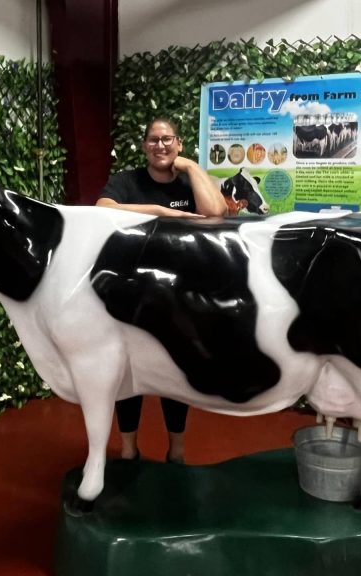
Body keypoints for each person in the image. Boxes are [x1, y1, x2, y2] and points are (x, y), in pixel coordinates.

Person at [96, 117, 227, 463]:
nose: (161, 146)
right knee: (128, 374)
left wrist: (192, 167)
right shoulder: (127, 181)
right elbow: (103, 210)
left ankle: (178, 451)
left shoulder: (188, 183)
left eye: (168, 140)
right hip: (131, 294)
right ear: (144, 147)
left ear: (179, 144)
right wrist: (159, 212)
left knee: (174, 373)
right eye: (153, 140)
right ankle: (128, 449)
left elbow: (215, 212)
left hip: (177, 297)